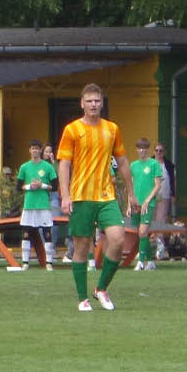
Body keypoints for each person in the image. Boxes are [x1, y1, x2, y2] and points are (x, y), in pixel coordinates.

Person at [56, 83, 131, 312]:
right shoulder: (72, 129)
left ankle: (101, 288)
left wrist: (131, 193)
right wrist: (65, 195)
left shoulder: (112, 129)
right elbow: (64, 164)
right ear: (82, 104)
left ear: (102, 103)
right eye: (89, 101)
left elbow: (122, 161)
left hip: (106, 196)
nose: (93, 104)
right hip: (81, 196)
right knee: (82, 247)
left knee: (118, 239)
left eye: (97, 101)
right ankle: (82, 298)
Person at [15, 140, 57, 269]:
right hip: (29, 205)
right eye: (32, 148)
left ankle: (49, 263)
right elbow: (18, 187)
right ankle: (25, 263)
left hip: (43, 205)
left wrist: (42, 185)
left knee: (47, 232)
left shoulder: (48, 167)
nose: (34, 151)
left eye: (37, 148)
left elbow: (55, 186)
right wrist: (29, 186)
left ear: (40, 150)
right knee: (26, 233)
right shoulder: (24, 167)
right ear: (29, 150)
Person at [126, 136, 163, 270]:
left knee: (143, 232)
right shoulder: (133, 165)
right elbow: (130, 186)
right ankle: (151, 261)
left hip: (148, 204)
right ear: (136, 149)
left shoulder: (154, 164)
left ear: (148, 149)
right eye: (139, 148)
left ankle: (141, 263)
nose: (142, 151)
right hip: (135, 204)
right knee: (141, 234)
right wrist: (129, 205)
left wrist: (148, 200)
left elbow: (158, 185)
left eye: (144, 148)